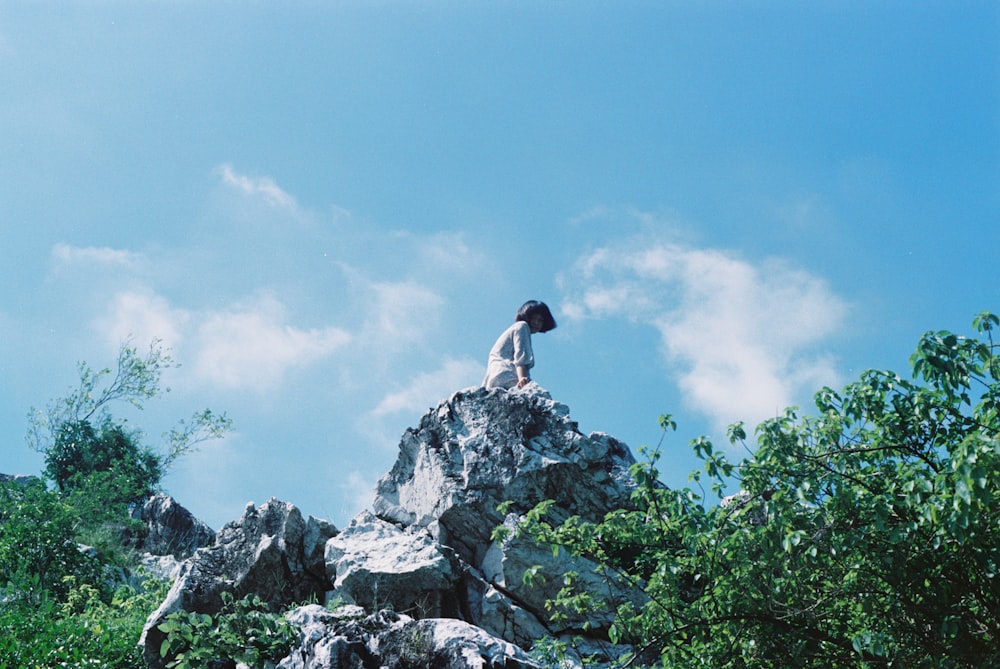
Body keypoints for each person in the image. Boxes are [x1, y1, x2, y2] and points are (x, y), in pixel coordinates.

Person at [482, 300, 557, 390]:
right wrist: (522, 378)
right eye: (533, 318)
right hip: (506, 373)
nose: (536, 323)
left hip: (494, 377)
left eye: (540, 320)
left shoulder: (517, 329)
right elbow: (521, 357)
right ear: (526, 316)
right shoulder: (522, 326)